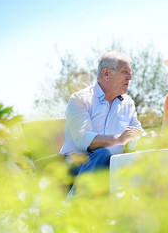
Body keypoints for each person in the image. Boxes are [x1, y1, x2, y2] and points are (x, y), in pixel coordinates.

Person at [60, 51, 145, 198]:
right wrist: (119, 139)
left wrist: (148, 137)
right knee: (103, 154)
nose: (130, 78)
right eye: (125, 72)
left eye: (130, 73)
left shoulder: (128, 103)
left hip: (114, 164)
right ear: (106, 73)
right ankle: (71, 204)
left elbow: (137, 132)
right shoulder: (79, 99)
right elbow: (82, 141)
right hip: (78, 164)